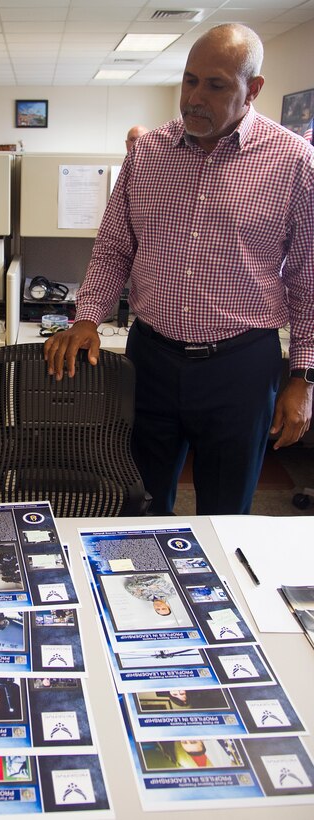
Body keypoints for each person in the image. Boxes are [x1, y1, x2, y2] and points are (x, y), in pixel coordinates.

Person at [45, 23, 314, 515]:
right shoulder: (147, 154)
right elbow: (113, 249)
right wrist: (87, 318)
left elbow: (307, 278)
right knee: (138, 504)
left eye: (215, 85)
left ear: (252, 89)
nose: (194, 97)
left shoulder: (294, 161)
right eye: (189, 81)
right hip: (152, 360)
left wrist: (304, 377)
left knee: (226, 512)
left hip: (241, 367)